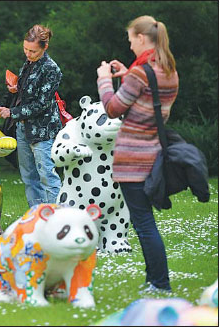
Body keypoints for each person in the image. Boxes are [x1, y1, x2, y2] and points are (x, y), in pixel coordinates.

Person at [96, 16, 179, 293]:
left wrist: (105, 80)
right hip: (153, 153)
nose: (130, 45)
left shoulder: (141, 73)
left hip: (133, 158)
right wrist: (127, 73)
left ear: (142, 38)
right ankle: (154, 281)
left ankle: (160, 283)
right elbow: (144, 97)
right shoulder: (167, 70)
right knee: (145, 222)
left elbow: (113, 108)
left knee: (144, 224)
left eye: (131, 39)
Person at [0, 24, 63, 207]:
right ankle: (37, 216)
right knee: (29, 177)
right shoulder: (28, 64)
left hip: (43, 131)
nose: (28, 54)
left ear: (45, 47)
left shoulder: (51, 69)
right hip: (23, 128)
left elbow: (41, 104)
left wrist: (12, 112)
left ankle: (59, 219)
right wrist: (15, 89)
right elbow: (28, 93)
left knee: (47, 176)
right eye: (25, 49)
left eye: (32, 51)